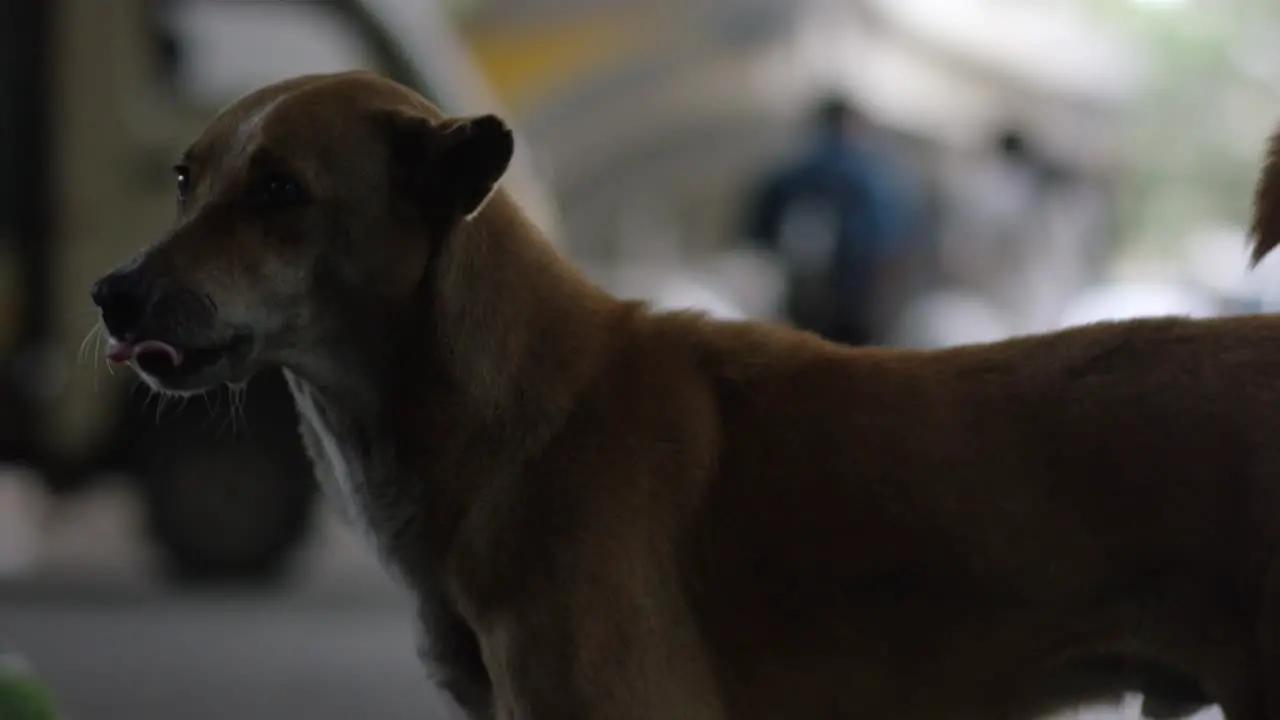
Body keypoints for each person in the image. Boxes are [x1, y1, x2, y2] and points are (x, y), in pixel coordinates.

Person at [742, 95, 919, 346]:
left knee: (802, 349)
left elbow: (758, 231)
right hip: (855, 286)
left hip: (798, 283)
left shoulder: (790, 171)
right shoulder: (872, 174)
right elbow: (890, 233)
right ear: (852, 124)